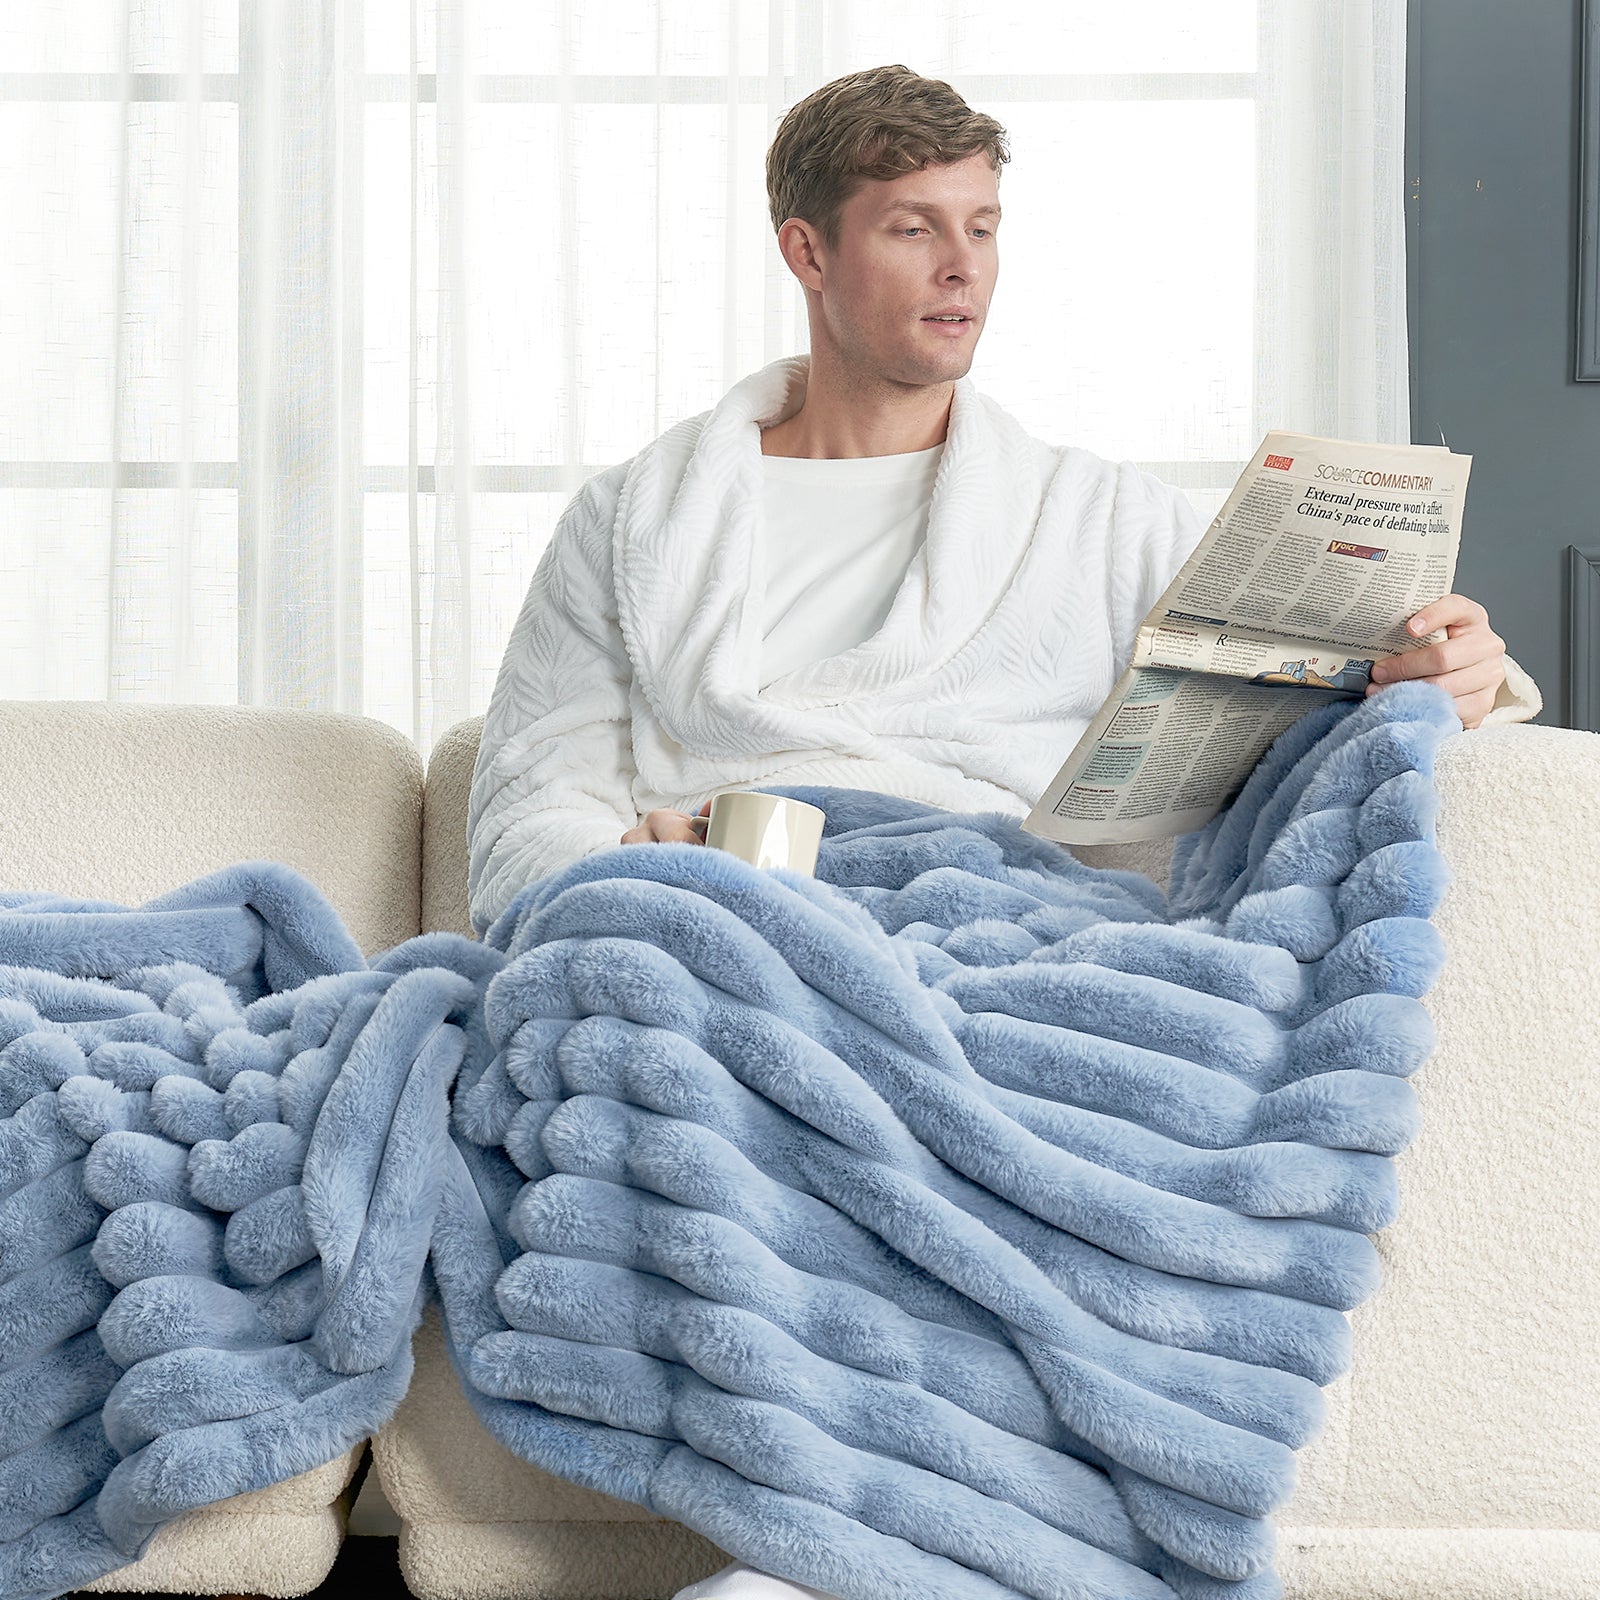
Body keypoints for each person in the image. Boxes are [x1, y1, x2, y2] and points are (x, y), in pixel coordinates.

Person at [464, 64, 1540, 1598]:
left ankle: (837, 1559)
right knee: (657, 988)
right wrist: (639, 869)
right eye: (912, 227)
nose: (963, 266)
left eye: (982, 224)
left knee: (1108, 1045)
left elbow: (1362, 669)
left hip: (1002, 914)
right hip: (744, 906)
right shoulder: (639, 521)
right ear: (806, 252)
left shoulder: (1093, 518)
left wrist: (1460, 672)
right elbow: (530, 798)